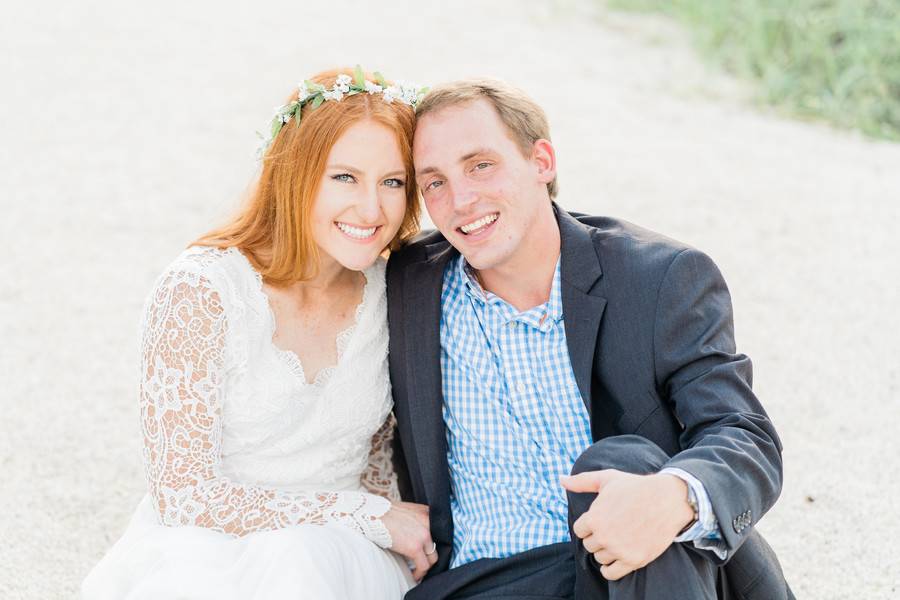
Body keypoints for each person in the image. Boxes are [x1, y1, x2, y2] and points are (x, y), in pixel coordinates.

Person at [386, 79, 794, 599]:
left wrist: (674, 497)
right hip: (489, 582)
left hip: (638, 565)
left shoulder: (659, 280)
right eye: (435, 182)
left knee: (623, 465)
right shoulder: (405, 286)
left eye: (480, 165)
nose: (461, 200)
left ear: (542, 162)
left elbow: (743, 433)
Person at [82, 67, 437, 600]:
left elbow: (378, 455)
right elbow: (184, 495)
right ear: (294, 174)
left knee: (304, 558)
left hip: (345, 559)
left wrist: (393, 536)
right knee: (292, 557)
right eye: (344, 177)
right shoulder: (201, 291)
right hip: (204, 550)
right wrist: (367, 514)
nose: (372, 209)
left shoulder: (398, 289)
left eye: (393, 182)